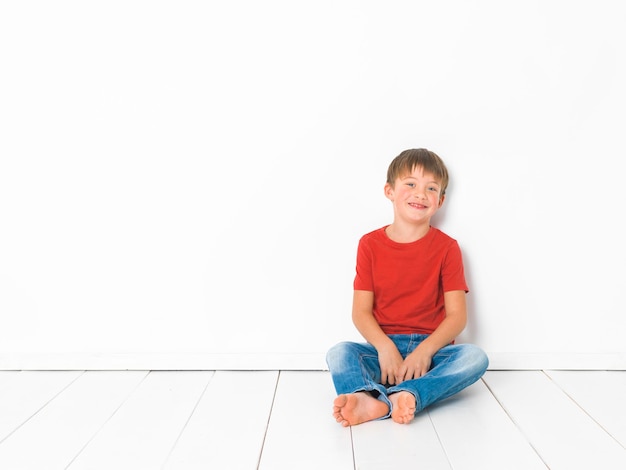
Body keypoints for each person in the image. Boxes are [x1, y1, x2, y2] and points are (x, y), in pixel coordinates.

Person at [326, 148, 488, 426]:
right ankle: (367, 397)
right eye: (410, 184)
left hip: (432, 351)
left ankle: (406, 393)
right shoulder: (369, 244)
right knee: (339, 353)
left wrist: (424, 352)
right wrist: (385, 348)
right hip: (382, 349)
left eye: (431, 188)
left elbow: (457, 317)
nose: (420, 194)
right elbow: (361, 312)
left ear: (440, 200)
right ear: (390, 191)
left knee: (474, 357)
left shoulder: (448, 248)